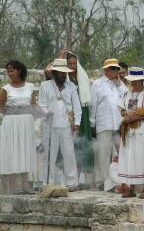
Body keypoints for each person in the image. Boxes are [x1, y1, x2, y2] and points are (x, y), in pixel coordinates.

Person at [38, 58, 82, 189]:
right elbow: (41, 105)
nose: (63, 75)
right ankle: (48, 182)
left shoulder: (71, 86)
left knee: (69, 154)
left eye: (65, 73)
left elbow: (77, 107)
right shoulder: (44, 86)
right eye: (61, 72)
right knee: (50, 155)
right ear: (55, 72)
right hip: (50, 126)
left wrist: (77, 123)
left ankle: (72, 182)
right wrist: (48, 115)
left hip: (66, 125)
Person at [118, 67, 144, 199]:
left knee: (143, 158)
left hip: (143, 132)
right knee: (131, 159)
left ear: (141, 81)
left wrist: (135, 117)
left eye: (136, 81)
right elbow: (122, 110)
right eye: (132, 81)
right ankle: (131, 189)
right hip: (129, 132)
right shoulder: (126, 94)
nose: (134, 84)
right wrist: (127, 115)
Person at [90, 59, 128, 190]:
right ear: (105, 70)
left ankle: (120, 181)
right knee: (103, 154)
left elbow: (126, 100)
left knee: (122, 152)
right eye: (112, 68)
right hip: (103, 123)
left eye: (116, 69)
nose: (115, 71)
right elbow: (93, 105)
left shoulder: (121, 85)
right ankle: (103, 183)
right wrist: (92, 123)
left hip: (118, 124)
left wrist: (119, 85)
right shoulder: (97, 84)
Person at [0, 60, 36, 194]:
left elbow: (33, 106)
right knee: (12, 152)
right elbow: (1, 107)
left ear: (19, 70)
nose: (9, 73)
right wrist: (14, 112)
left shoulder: (30, 87)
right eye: (8, 71)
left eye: (12, 70)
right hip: (11, 124)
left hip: (26, 123)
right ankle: (12, 188)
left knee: (25, 151)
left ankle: (26, 186)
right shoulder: (5, 89)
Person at [59, 49, 93, 186]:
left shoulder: (83, 79)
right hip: (68, 114)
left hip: (83, 116)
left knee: (82, 145)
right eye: (69, 64)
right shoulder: (63, 81)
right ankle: (70, 180)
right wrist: (61, 57)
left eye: (74, 63)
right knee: (69, 147)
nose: (72, 66)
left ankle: (83, 180)